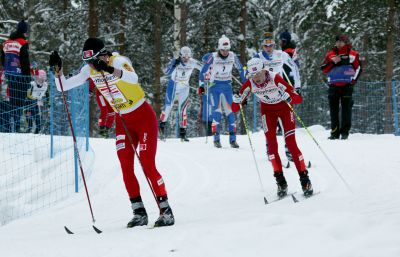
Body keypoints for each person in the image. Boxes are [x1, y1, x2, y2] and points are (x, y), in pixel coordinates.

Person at [49, 37, 174, 228]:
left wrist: (109, 69)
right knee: (125, 165)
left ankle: (165, 210)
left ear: (104, 55)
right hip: (123, 121)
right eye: (87, 62)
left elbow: (134, 78)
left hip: (143, 117)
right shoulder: (88, 69)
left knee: (147, 163)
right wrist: (58, 71)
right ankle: (139, 212)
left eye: (93, 61)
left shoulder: (118, 61)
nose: (90, 65)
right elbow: (62, 86)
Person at [232, 58, 313, 197]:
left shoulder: (275, 78)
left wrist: (290, 97)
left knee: (291, 144)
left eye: (258, 74)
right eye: (252, 75)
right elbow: (234, 108)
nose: (256, 78)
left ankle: (305, 180)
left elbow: (298, 99)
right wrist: (237, 101)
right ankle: (281, 182)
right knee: (272, 147)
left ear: (264, 70)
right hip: (267, 112)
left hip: (284, 109)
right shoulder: (249, 84)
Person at [255, 32, 301, 163]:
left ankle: (289, 150)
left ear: (274, 45)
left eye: (270, 45)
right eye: (265, 46)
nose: (268, 48)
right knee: (271, 124)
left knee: (286, 123)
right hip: (266, 94)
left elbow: (295, 69)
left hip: (282, 91)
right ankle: (270, 150)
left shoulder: (282, 54)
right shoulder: (257, 57)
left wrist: (297, 87)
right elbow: (249, 72)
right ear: (262, 46)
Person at [199, 35, 246, 148]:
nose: (225, 52)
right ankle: (216, 139)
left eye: (227, 50)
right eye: (223, 50)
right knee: (217, 112)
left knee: (230, 113)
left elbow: (241, 70)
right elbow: (203, 71)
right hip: (214, 86)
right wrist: (201, 86)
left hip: (227, 86)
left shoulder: (233, 56)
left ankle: (233, 140)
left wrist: (246, 83)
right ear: (219, 48)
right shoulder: (213, 57)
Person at [321, 34, 361, 140]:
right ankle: (334, 133)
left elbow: (358, 68)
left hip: (347, 86)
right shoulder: (330, 54)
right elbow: (323, 68)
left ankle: (345, 133)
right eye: (337, 41)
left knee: (346, 110)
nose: (339, 43)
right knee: (333, 111)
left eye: (341, 41)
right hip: (333, 86)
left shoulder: (353, 54)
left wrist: (353, 81)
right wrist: (333, 62)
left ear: (345, 42)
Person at [159, 46, 202, 141]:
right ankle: (161, 127)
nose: (186, 59)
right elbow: (166, 72)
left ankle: (183, 133)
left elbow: (203, 68)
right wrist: (174, 65)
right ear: (180, 56)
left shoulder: (192, 62)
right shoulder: (175, 61)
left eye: (188, 57)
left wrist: (207, 74)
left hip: (184, 87)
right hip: (173, 85)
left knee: (183, 110)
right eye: (184, 57)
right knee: (168, 107)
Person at [0, 20, 32, 133]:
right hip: (20, 75)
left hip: (10, 74)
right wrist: (27, 77)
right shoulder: (22, 43)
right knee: (20, 101)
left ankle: (10, 125)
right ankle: (17, 125)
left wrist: (6, 69)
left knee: (12, 99)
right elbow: (25, 61)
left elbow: (2, 58)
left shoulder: (6, 43)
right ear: (24, 30)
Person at [26, 69, 48, 133]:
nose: (41, 80)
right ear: (37, 78)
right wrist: (35, 99)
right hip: (29, 102)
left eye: (43, 79)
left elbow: (47, 94)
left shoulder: (45, 85)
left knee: (37, 115)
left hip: (38, 102)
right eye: (40, 78)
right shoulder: (32, 84)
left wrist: (48, 103)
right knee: (29, 115)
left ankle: (38, 129)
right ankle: (29, 128)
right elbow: (28, 94)